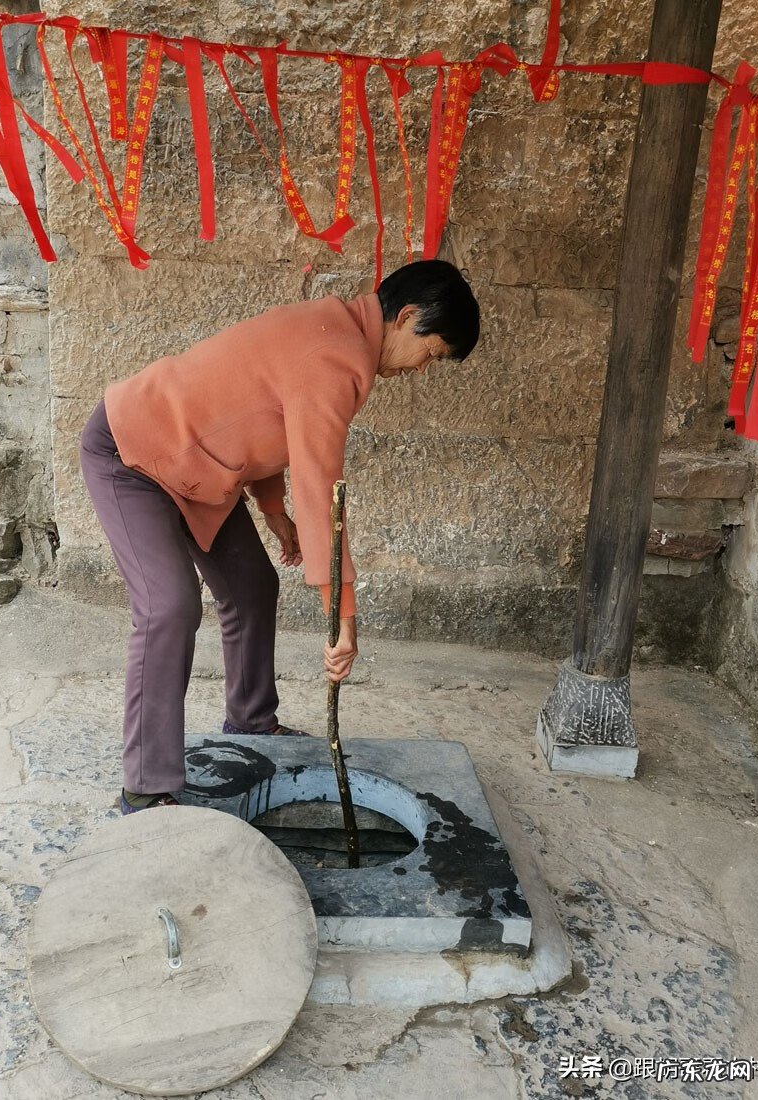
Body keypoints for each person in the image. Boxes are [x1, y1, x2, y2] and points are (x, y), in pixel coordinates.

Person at [79, 259, 480, 813]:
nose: (421, 369)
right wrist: (343, 617)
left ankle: (250, 725)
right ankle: (145, 789)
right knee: (168, 607)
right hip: (132, 453)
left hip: (194, 463)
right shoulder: (335, 357)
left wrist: (272, 511)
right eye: (430, 353)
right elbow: (322, 493)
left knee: (251, 584)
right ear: (406, 316)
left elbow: (258, 412)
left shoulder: (332, 330)